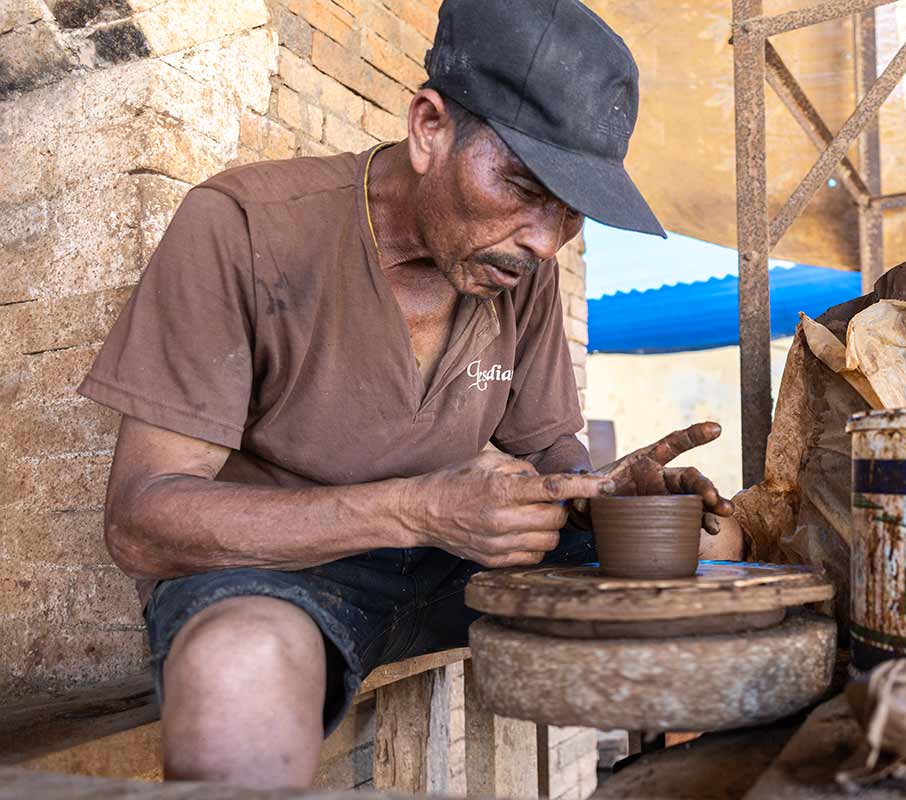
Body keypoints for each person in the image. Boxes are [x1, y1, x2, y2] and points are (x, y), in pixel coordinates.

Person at [78, 0, 736, 787]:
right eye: (525, 187)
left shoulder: (515, 269)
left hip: (453, 564)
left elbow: (550, 449)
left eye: (572, 215)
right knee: (237, 671)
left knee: (710, 550)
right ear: (429, 127)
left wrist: (609, 493)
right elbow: (140, 521)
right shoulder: (244, 228)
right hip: (283, 575)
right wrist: (415, 507)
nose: (544, 239)